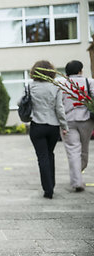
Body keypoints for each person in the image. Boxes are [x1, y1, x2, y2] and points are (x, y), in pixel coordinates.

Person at [27, 60, 69, 199]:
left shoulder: (30, 86)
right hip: (53, 126)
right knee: (50, 154)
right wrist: (64, 126)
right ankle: (52, 185)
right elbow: (59, 109)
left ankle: (48, 189)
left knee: (42, 156)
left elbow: (21, 102)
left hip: (37, 125)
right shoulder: (55, 86)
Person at [59, 60, 94, 192]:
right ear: (80, 70)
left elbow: (58, 104)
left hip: (68, 121)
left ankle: (76, 180)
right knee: (84, 150)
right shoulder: (89, 82)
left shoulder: (62, 84)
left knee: (73, 151)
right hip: (86, 120)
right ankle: (77, 177)